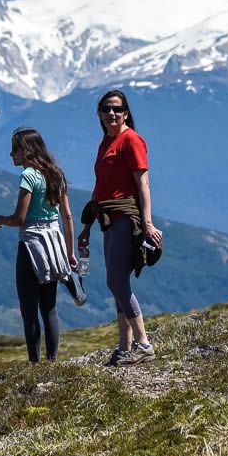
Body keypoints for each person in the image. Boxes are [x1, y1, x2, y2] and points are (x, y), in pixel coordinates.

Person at [79, 89, 163, 367]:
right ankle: (125, 347)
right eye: (106, 109)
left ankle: (143, 344)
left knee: (116, 281)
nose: (111, 114)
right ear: (100, 114)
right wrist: (87, 224)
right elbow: (102, 184)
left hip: (125, 217)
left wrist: (147, 224)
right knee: (118, 283)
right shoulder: (107, 143)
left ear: (126, 113)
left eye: (116, 109)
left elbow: (143, 185)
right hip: (107, 218)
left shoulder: (132, 140)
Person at [0, 128, 77, 362]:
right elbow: (68, 217)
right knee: (49, 308)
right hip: (54, 244)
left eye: (15, 149)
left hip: (32, 244)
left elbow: (20, 218)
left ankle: (34, 365)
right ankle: (52, 362)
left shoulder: (28, 176)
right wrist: (69, 254)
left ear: (26, 150)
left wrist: (2, 220)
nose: (11, 154)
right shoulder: (57, 174)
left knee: (28, 309)